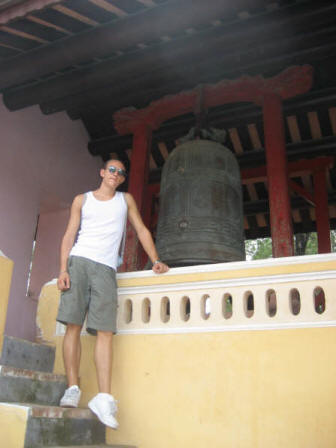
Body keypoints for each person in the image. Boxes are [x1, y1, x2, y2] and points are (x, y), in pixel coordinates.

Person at [56, 159, 169, 429]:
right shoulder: (81, 200)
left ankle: (104, 398)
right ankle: (72, 387)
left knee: (105, 331)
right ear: (103, 172)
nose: (116, 175)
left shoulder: (125, 200)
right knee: (73, 326)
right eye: (112, 170)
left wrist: (156, 259)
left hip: (106, 268)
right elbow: (69, 234)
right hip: (79, 261)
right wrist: (63, 269)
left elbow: (140, 229)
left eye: (121, 173)